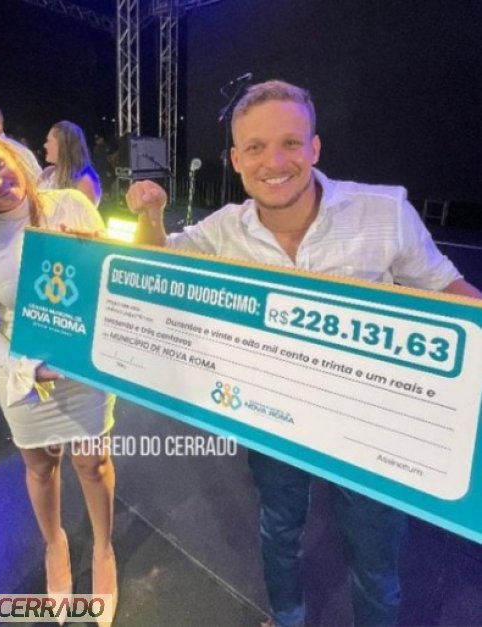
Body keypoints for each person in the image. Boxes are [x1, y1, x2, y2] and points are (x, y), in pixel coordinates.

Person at [126, 80, 482, 627]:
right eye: (256, 147)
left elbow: (446, 289)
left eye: (290, 143)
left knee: (375, 563)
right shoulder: (224, 230)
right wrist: (149, 215)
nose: (274, 162)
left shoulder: (383, 213)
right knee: (279, 528)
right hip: (274, 418)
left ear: (314, 148)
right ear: (236, 160)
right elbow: (154, 267)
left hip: (372, 429)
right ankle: (288, 617)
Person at [0, 125, 117, 623]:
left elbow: (109, 277)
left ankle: (103, 550)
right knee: (40, 468)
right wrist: (26, 366)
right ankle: (55, 544)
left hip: (84, 365)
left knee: (93, 464)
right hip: (25, 376)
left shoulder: (71, 204)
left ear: (13, 155)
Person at [39, 120, 102, 208]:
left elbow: (85, 215)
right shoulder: (47, 173)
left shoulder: (85, 181)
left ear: (62, 145)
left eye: (49, 141)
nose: (45, 145)